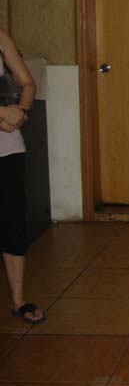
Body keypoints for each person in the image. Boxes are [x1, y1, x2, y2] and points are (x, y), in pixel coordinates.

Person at [0, 28, 43, 325]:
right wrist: (2, 113)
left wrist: (20, 110)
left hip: (8, 148)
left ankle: (18, 300)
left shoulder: (1, 37)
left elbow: (27, 83)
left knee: (13, 221)